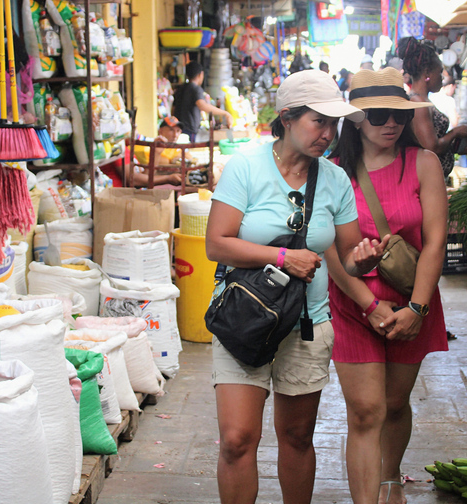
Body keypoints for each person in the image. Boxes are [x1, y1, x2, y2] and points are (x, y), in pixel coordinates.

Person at [206, 69, 389, 504]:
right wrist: (281, 256)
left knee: (297, 436)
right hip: (244, 317)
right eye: (317, 121)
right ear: (286, 118)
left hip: (307, 323)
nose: (327, 133)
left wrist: (362, 259)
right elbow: (217, 243)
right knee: (236, 438)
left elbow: (346, 255)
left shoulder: (335, 180)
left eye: (334, 123)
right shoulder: (246, 168)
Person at [326, 68, 449, 504]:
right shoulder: (333, 171)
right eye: (377, 115)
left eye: (398, 113)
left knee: (395, 405)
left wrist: (416, 309)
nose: (390, 124)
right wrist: (366, 302)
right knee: (365, 412)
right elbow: (331, 254)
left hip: (411, 300)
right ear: (356, 118)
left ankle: (390, 477)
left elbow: (435, 241)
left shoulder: (424, 163)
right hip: (352, 303)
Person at [397, 37, 467, 179]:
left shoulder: (422, 100)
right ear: (427, 73)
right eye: (439, 73)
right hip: (426, 180)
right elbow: (431, 147)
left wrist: (453, 149)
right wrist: (455, 132)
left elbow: (427, 143)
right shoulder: (418, 103)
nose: (442, 78)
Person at [102, 116, 183, 187]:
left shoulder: (126, 149)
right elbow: (134, 180)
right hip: (118, 196)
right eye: (133, 128)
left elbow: (146, 176)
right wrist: (167, 179)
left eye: (135, 128)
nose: (136, 133)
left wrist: (156, 153)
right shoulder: (117, 149)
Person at [172, 61, 233, 142]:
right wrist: (225, 113)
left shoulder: (180, 88)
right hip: (189, 130)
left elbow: (173, 109)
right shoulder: (195, 89)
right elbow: (202, 105)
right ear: (200, 74)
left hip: (178, 129)